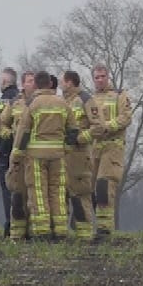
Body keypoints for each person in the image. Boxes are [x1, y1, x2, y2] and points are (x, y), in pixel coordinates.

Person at [83, 64, 134, 237]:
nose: (100, 80)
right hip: (94, 149)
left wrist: (108, 127)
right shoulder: (90, 99)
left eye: (102, 76)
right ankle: (90, 227)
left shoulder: (120, 95)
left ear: (108, 76)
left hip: (112, 147)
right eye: (96, 77)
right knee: (90, 190)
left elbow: (126, 117)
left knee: (104, 187)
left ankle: (104, 229)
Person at [24, 71, 72, 239]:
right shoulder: (63, 104)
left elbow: (23, 132)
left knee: (39, 192)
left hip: (36, 156)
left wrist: (17, 154)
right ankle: (60, 230)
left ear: (36, 85)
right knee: (57, 192)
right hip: (58, 155)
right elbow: (72, 131)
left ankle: (42, 231)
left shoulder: (33, 104)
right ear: (51, 84)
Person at [59, 70, 95, 239]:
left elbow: (99, 126)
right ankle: (62, 232)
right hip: (64, 155)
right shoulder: (63, 102)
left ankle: (84, 234)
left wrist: (81, 139)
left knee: (80, 194)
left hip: (80, 156)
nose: (60, 84)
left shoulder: (86, 99)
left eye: (62, 81)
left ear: (69, 82)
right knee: (62, 193)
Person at [0, 68, 20, 236]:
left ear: (4, 82)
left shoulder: (3, 100)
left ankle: (10, 224)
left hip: (5, 152)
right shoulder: (21, 98)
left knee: (7, 189)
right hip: (20, 151)